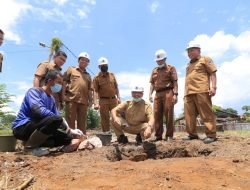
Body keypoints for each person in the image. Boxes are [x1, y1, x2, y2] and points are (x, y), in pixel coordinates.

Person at [12, 70, 84, 155]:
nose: (60, 85)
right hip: (22, 127)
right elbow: (38, 110)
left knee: (67, 138)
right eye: (59, 82)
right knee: (56, 120)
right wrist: (61, 120)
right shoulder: (34, 92)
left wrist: (70, 130)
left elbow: (57, 117)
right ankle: (30, 148)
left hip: (38, 129)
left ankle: (33, 142)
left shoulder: (51, 99)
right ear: (50, 81)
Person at [183, 43, 217, 144]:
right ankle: (192, 134)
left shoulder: (205, 59)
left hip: (201, 90)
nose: (189, 53)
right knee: (189, 115)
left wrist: (213, 87)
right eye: (188, 51)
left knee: (206, 113)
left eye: (192, 50)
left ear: (199, 50)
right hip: (188, 93)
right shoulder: (188, 64)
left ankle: (211, 135)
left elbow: (213, 73)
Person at [149, 49, 178, 141]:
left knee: (169, 114)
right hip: (157, 94)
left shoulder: (171, 68)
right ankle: (158, 136)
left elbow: (175, 82)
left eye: (161, 60)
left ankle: (169, 135)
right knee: (157, 114)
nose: (159, 61)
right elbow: (152, 84)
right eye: (157, 60)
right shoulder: (154, 70)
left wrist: (175, 94)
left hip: (168, 92)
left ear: (165, 59)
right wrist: (150, 94)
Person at [63, 52, 93, 134]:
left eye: (87, 61)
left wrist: (91, 101)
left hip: (83, 101)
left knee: (82, 122)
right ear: (78, 60)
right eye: (82, 59)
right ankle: (69, 140)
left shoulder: (88, 75)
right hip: (71, 99)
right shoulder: (71, 69)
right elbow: (64, 82)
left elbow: (90, 90)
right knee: (70, 121)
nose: (84, 62)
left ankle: (81, 139)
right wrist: (63, 95)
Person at [93, 57, 120, 133]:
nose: (104, 66)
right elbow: (95, 91)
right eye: (102, 65)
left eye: (105, 65)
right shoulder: (96, 78)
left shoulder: (112, 75)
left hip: (113, 100)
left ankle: (119, 135)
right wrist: (95, 103)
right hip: (103, 100)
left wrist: (119, 98)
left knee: (116, 117)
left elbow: (116, 87)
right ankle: (106, 135)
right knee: (104, 119)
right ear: (99, 67)